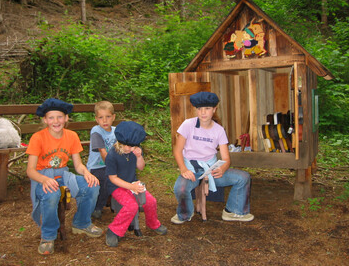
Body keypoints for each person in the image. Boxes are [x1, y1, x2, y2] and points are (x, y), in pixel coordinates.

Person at [26, 98, 103, 255]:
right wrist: (44, 180)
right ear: (45, 120)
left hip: (63, 174)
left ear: (66, 118)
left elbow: (78, 165)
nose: (56, 121)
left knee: (92, 185)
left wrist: (87, 173)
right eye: (51, 117)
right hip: (43, 176)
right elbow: (30, 170)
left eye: (60, 117)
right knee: (52, 193)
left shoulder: (72, 136)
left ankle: (81, 223)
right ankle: (48, 235)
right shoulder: (38, 137)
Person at [171, 91, 254, 224]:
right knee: (180, 188)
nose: (203, 112)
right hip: (191, 169)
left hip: (211, 170)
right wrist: (183, 169)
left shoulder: (219, 130)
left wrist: (222, 168)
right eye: (200, 109)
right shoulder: (188, 124)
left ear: (214, 109)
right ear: (196, 110)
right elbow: (177, 150)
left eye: (207, 108)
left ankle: (232, 211)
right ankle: (185, 214)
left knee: (243, 177)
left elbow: (226, 158)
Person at [105, 121, 167, 247]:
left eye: (132, 146)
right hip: (117, 186)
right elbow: (113, 178)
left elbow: (141, 167)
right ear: (119, 141)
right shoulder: (112, 155)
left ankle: (153, 224)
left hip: (132, 183)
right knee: (131, 206)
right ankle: (113, 231)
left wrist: (139, 157)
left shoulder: (135, 150)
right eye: (125, 145)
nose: (129, 148)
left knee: (151, 202)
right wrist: (131, 187)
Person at [86, 101, 117, 219]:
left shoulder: (116, 131)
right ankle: (97, 207)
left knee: (125, 173)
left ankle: (120, 202)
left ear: (113, 117)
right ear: (96, 119)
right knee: (106, 178)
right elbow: (103, 152)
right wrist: (113, 168)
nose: (104, 120)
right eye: (101, 117)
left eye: (108, 117)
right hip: (96, 167)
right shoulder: (96, 131)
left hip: (110, 164)